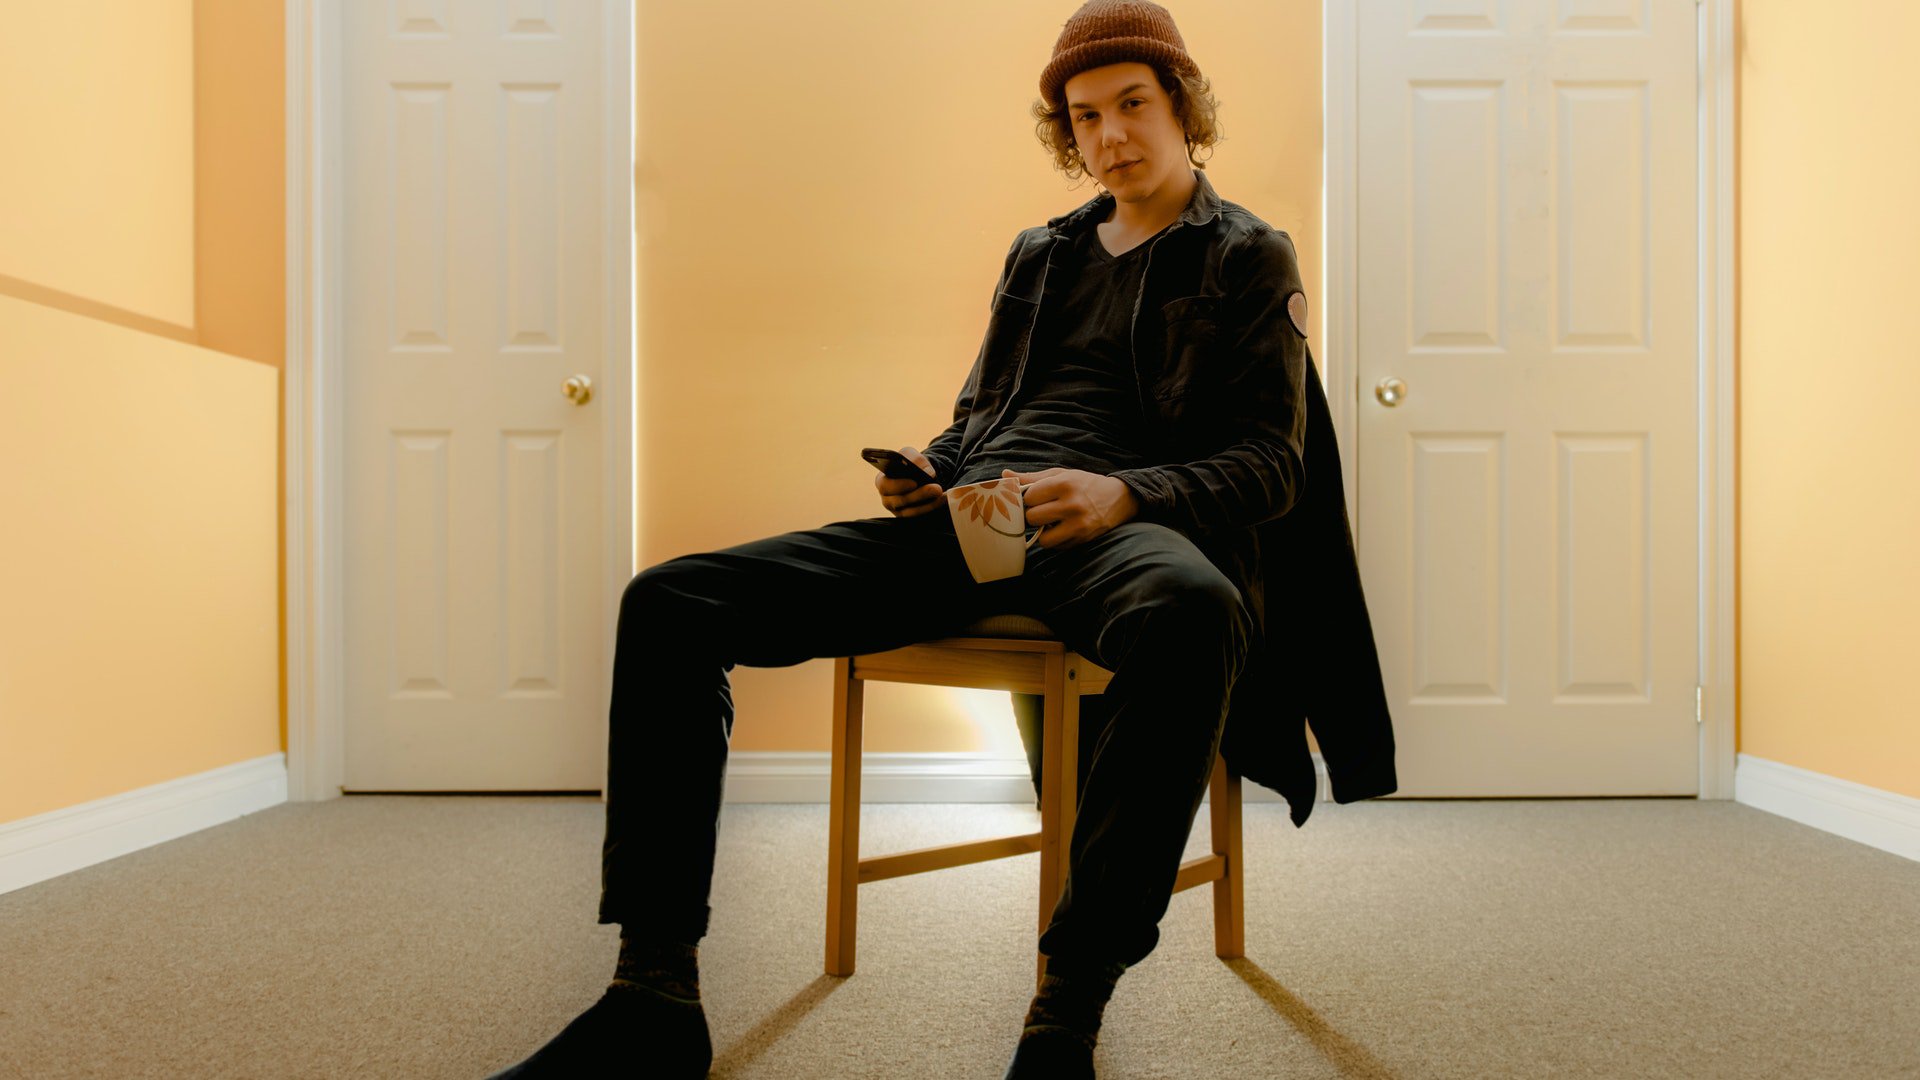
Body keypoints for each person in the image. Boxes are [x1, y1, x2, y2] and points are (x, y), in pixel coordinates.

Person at [487, 2, 1397, 1077]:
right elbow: (980, 416)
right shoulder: (1040, 254)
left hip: (1119, 531)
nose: (1111, 135)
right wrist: (932, 471)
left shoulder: (1247, 254)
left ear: (1182, 105)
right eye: (1086, 116)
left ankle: (1065, 1016)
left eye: (1133, 105)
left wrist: (1122, 494)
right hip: (982, 521)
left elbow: (1272, 465)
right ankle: (652, 995)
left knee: (1197, 612)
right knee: (669, 602)